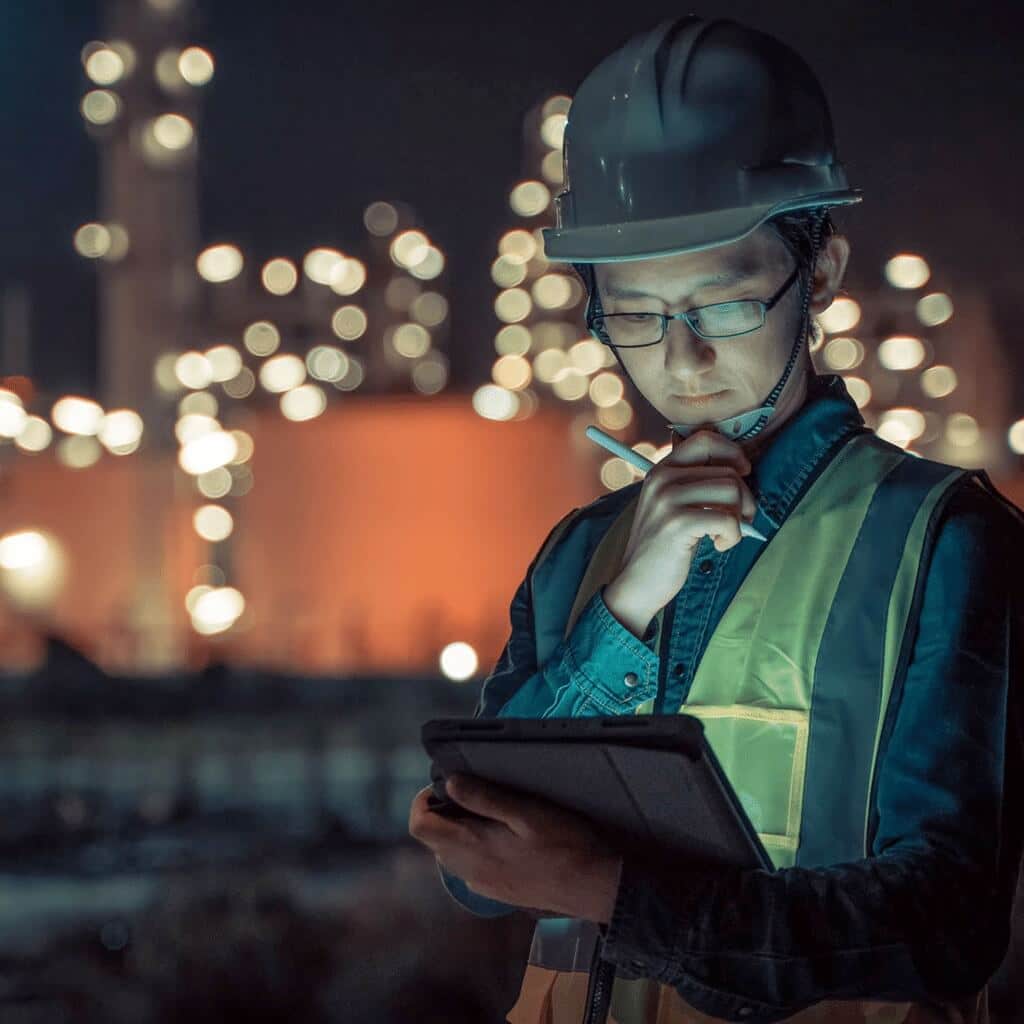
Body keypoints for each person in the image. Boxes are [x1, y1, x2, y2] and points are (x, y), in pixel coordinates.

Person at [409, 14, 1024, 1024]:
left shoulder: (941, 542)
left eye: (723, 304)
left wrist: (607, 890)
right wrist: (628, 603)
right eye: (638, 317)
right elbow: (478, 870)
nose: (681, 362)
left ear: (816, 273)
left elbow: (944, 922)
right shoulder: (580, 558)